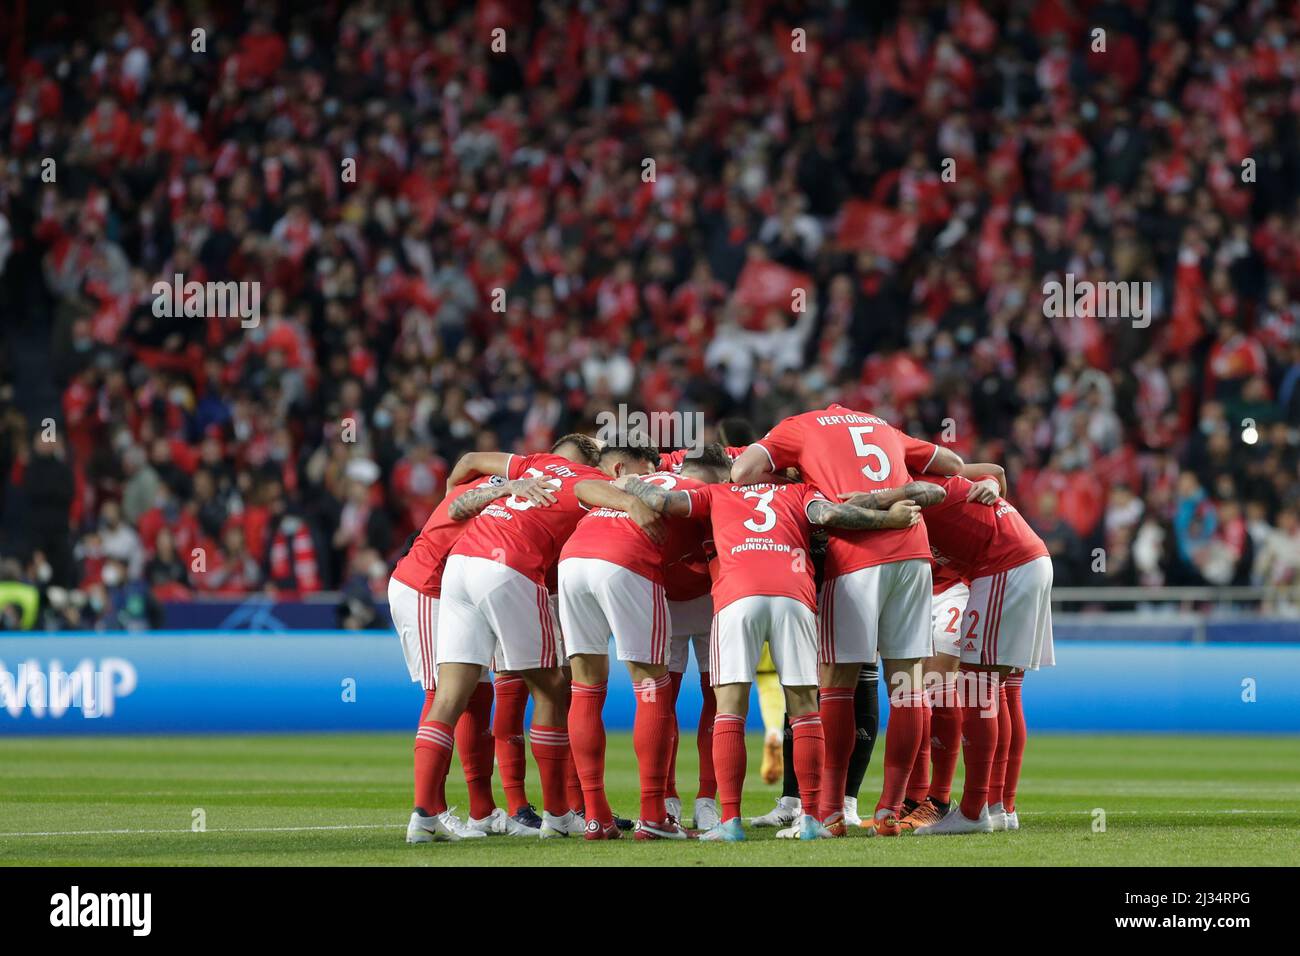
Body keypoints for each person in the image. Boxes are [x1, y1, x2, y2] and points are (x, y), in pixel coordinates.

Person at [619, 469, 927, 841]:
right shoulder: (800, 492)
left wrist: (629, 484)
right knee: (805, 708)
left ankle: (730, 822)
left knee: (730, 708)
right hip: (793, 596)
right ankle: (812, 819)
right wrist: (888, 518)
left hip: (737, 597)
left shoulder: (716, 493)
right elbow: (832, 515)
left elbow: (661, 501)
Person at [408, 434, 662, 843]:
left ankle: (422, 816)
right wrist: (632, 503)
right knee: (552, 689)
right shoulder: (585, 479)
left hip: (461, 564)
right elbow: (586, 488)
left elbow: (469, 461)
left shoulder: (535, 463)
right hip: (508, 568)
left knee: (449, 696)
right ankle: (558, 815)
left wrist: (486, 488)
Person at [729, 403, 960, 836]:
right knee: (907, 685)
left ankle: (830, 812)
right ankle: (890, 812)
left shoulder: (798, 425)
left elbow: (741, 473)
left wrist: (797, 478)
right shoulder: (881, 425)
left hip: (855, 555)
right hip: (913, 552)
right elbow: (952, 463)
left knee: (835, 683)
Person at [559, 442, 721, 839]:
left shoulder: (634, 480)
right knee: (652, 685)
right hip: (626, 562)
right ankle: (653, 815)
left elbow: (579, 489)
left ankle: (596, 817)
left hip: (574, 560)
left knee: (585, 688)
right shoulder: (702, 492)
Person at [390, 464, 558, 839]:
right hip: (426, 586)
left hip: (453, 591)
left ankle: (482, 812)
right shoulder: (504, 485)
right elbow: (457, 505)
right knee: (442, 693)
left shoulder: (527, 491)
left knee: (477, 695)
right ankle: (429, 813)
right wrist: (507, 487)